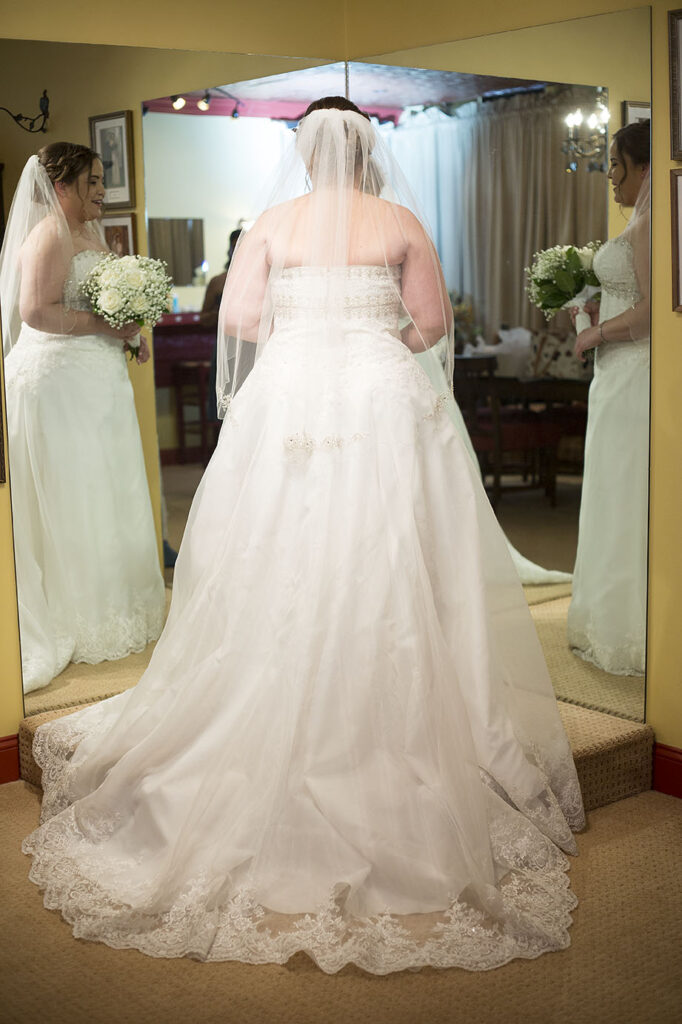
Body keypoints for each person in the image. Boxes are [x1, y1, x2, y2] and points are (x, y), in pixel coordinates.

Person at [22, 102, 584, 974]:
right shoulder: (399, 219)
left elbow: (241, 322)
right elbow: (431, 324)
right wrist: (373, 344)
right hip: (381, 396)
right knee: (391, 560)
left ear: (305, 155)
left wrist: (305, 345)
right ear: (367, 152)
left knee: (277, 555)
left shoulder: (275, 224)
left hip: (288, 398)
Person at [0, 143, 166, 693]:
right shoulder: (49, 233)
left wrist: (131, 333)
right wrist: (107, 329)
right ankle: (78, 615)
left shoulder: (94, 234)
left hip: (97, 380)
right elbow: (35, 312)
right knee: (78, 494)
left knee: (109, 487)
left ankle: (117, 603)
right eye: (92, 181)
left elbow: (99, 306)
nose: (101, 190)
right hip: (59, 383)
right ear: (63, 185)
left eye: (102, 180)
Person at [567, 120, 650, 675]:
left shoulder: (648, 227)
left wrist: (593, 332)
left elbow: (651, 315)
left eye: (614, 165)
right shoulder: (641, 222)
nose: (610, 178)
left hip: (633, 368)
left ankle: (631, 625)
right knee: (610, 483)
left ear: (637, 164)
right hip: (615, 370)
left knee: (625, 489)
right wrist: (593, 311)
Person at [199, 228, 241, 422]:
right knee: (225, 405)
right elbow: (204, 318)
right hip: (225, 348)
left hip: (255, 348)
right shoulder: (218, 282)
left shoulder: (265, 280)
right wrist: (222, 313)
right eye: (235, 247)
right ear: (230, 250)